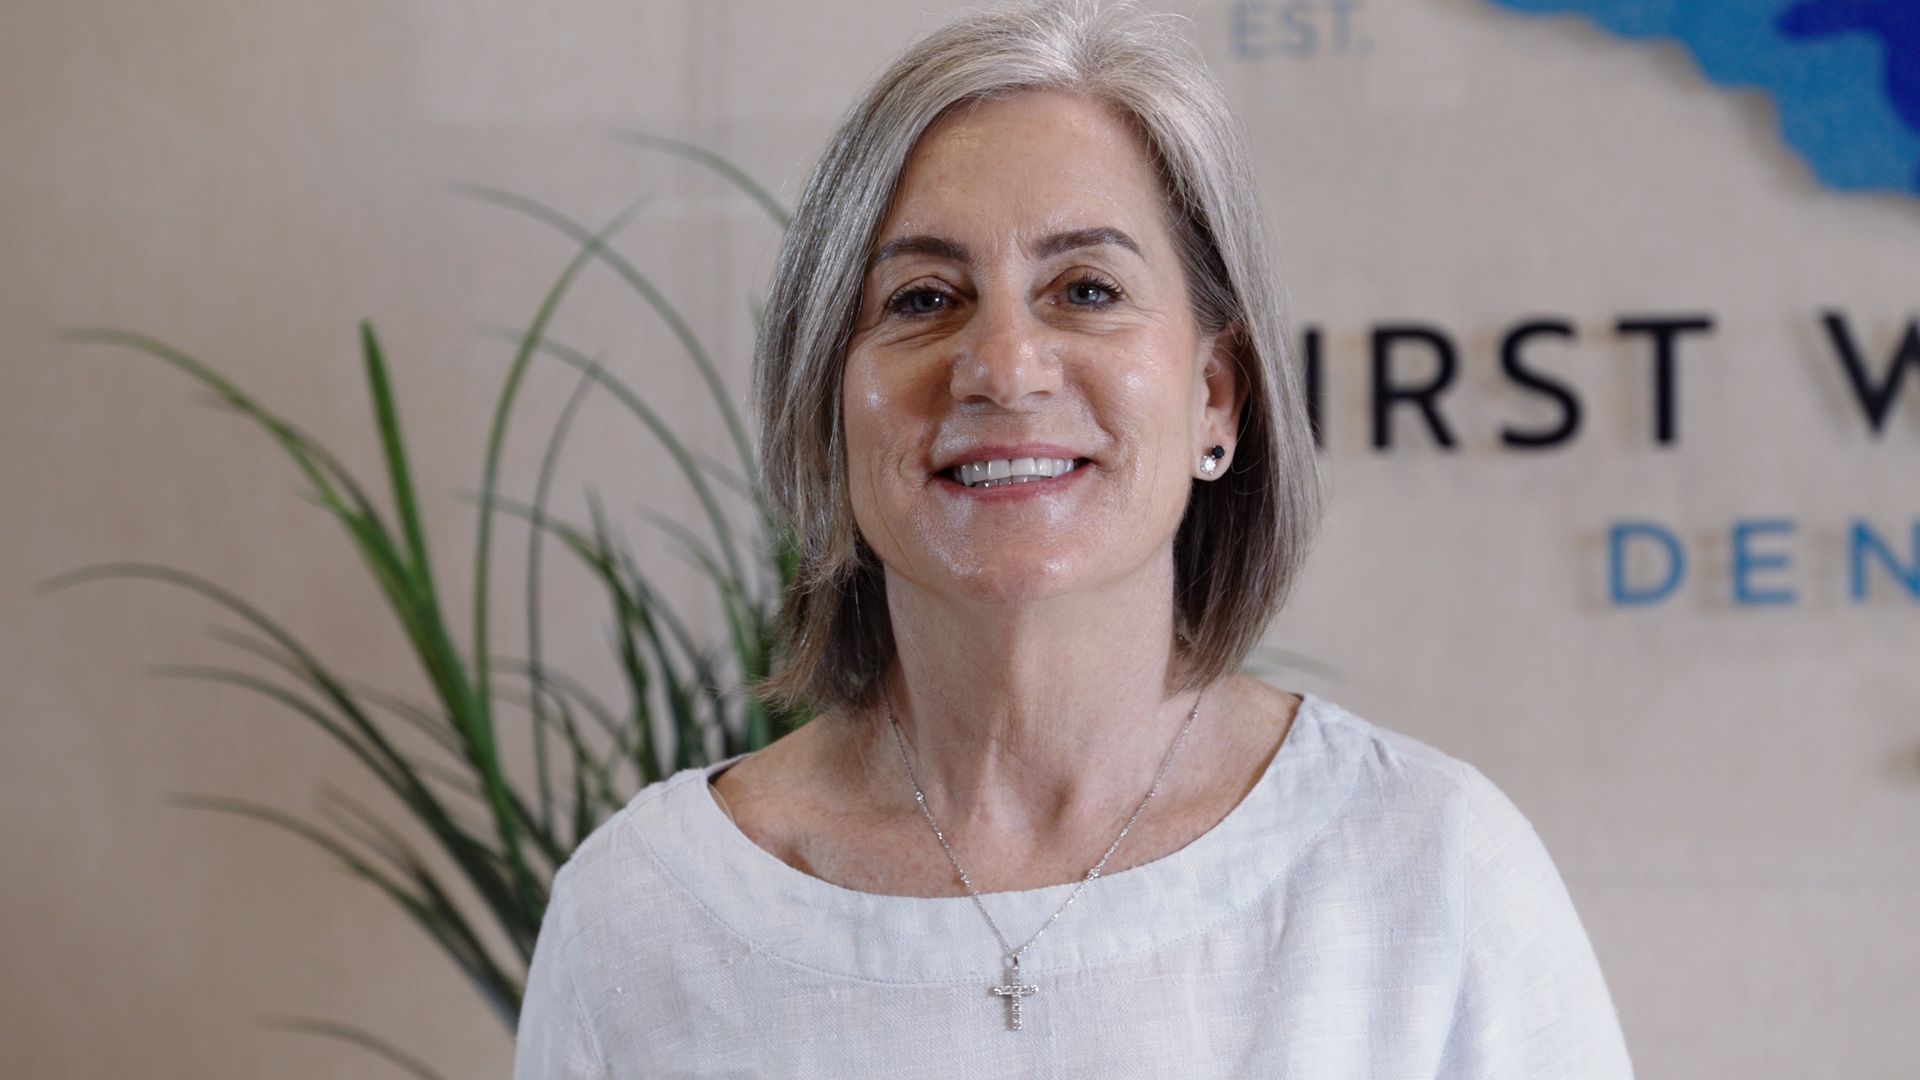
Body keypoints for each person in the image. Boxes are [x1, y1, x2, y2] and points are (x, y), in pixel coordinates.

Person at [514, 1, 1634, 1076]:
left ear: (1215, 396)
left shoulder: (1431, 874)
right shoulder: (646, 916)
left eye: (1085, 288)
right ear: (825, 403)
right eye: (921, 299)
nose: (1003, 367)